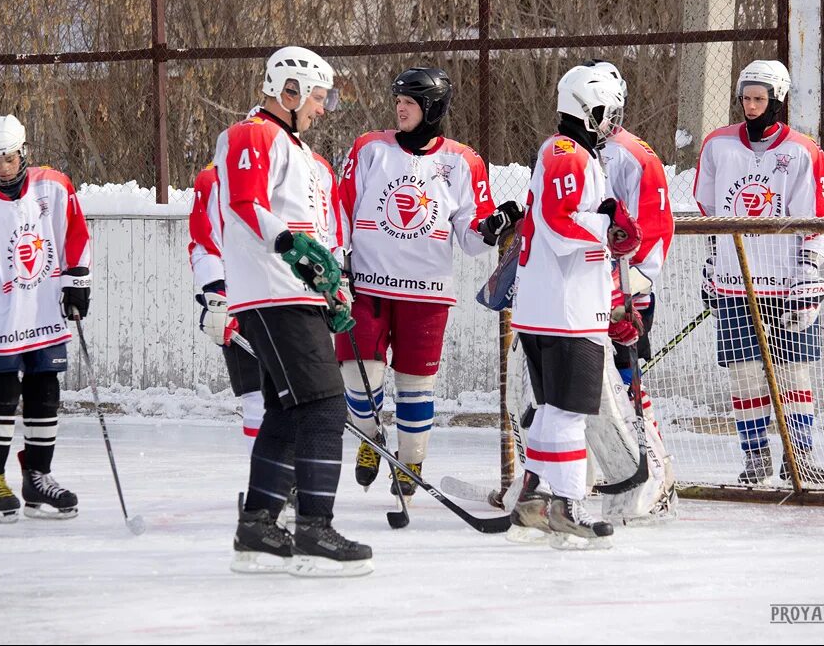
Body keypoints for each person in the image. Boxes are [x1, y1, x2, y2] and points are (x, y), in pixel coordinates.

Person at [214, 46, 372, 577]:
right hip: (272, 292)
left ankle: (258, 526)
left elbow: (316, 233)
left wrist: (331, 286)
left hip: (294, 293)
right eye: (318, 97)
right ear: (290, 90)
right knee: (326, 408)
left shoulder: (298, 150)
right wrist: (294, 250)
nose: (322, 109)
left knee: (286, 410)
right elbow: (244, 202)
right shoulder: (251, 135)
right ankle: (314, 529)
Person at [334, 66, 521, 499]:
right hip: (368, 287)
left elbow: (472, 238)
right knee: (358, 378)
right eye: (398, 100)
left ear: (432, 108)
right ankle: (370, 440)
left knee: (416, 384)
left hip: (427, 292)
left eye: (410, 102)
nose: (400, 108)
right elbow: (340, 207)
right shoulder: (369, 148)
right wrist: (337, 255)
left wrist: (492, 226)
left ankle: (409, 461)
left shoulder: (461, 160)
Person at [507, 64, 642, 548]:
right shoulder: (567, 153)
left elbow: (579, 226)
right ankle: (564, 505)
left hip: (554, 306)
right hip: (563, 311)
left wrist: (616, 307)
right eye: (608, 113)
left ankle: (533, 497)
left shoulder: (572, 154)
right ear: (591, 108)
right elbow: (558, 221)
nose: (611, 122)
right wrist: (610, 227)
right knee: (568, 412)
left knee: (551, 408)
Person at [0, 115, 90, 523]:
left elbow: (74, 233)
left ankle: (37, 478)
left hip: (44, 308)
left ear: (23, 150)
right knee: (1, 392)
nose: (2, 168)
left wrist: (77, 280)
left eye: (8, 158)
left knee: (45, 389)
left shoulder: (55, 185)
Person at [694, 59, 824, 485]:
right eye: (746, 98)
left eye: (760, 98)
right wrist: (714, 259)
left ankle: (800, 455)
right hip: (736, 283)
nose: (751, 106)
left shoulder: (802, 151)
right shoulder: (718, 145)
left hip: (789, 283)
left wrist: (810, 269)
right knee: (746, 373)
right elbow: (710, 209)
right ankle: (755, 456)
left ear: (777, 100)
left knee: (794, 371)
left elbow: (820, 217)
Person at [581, 59, 677, 524]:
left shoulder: (633, 155)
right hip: (581, 294)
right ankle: (574, 478)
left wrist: (630, 286)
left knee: (623, 385)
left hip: (623, 296)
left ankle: (654, 474)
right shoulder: (574, 151)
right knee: (577, 386)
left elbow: (656, 227)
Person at [188, 161, 265, 445]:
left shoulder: (305, 166)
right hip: (241, 302)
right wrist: (216, 295)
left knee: (297, 398)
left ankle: (293, 475)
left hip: (290, 301)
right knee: (256, 396)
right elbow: (204, 241)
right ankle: (267, 483)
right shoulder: (214, 178)